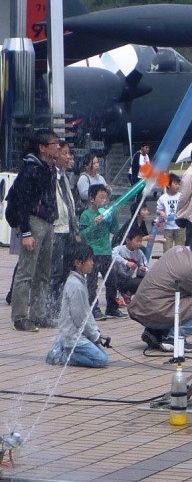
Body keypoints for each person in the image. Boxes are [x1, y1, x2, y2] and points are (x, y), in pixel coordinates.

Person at [128, 229, 192, 353]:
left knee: (180, 296)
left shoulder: (176, 249)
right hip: (154, 313)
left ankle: (155, 332)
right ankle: (173, 339)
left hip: (141, 309)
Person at [11, 129, 60, 332]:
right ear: (42, 148)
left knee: (44, 272)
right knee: (26, 271)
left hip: (47, 222)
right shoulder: (30, 169)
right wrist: (26, 232)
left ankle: (39, 314)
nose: (58, 146)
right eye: (54, 143)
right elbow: (22, 203)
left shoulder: (50, 168)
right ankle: (20, 316)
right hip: (33, 222)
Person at [45, 243, 109, 368]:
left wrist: (95, 332)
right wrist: (94, 336)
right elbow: (79, 317)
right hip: (73, 336)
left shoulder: (80, 281)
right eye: (89, 260)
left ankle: (63, 347)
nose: (92, 263)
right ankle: (59, 355)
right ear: (78, 263)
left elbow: (87, 311)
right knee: (101, 359)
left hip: (80, 334)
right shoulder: (75, 285)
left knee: (100, 353)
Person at [79, 183, 126, 320]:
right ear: (92, 199)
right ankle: (93, 308)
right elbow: (83, 235)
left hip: (106, 251)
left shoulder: (106, 213)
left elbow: (115, 230)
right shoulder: (86, 215)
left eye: (106, 198)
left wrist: (113, 217)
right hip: (92, 253)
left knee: (112, 280)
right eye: (101, 197)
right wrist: (95, 223)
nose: (104, 200)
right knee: (92, 283)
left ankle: (112, 307)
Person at [48, 140, 80, 321]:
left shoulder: (64, 177)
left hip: (68, 229)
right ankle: (50, 308)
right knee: (55, 272)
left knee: (66, 271)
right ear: (56, 155)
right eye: (66, 153)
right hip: (57, 229)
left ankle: (60, 307)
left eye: (70, 153)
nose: (70, 157)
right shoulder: (51, 175)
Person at [112, 226, 148, 303]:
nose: (139, 244)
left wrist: (143, 269)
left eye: (141, 241)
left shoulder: (139, 253)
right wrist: (126, 262)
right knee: (112, 275)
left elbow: (144, 265)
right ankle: (115, 297)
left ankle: (128, 293)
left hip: (127, 279)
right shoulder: (120, 249)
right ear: (128, 240)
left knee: (144, 282)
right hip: (116, 278)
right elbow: (112, 255)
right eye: (137, 241)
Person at [156, 172, 185, 252]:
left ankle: (179, 264)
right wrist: (161, 213)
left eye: (179, 184)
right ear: (168, 185)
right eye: (175, 184)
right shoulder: (163, 198)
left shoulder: (181, 196)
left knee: (180, 250)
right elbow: (158, 210)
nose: (178, 186)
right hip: (168, 227)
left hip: (180, 227)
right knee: (167, 249)